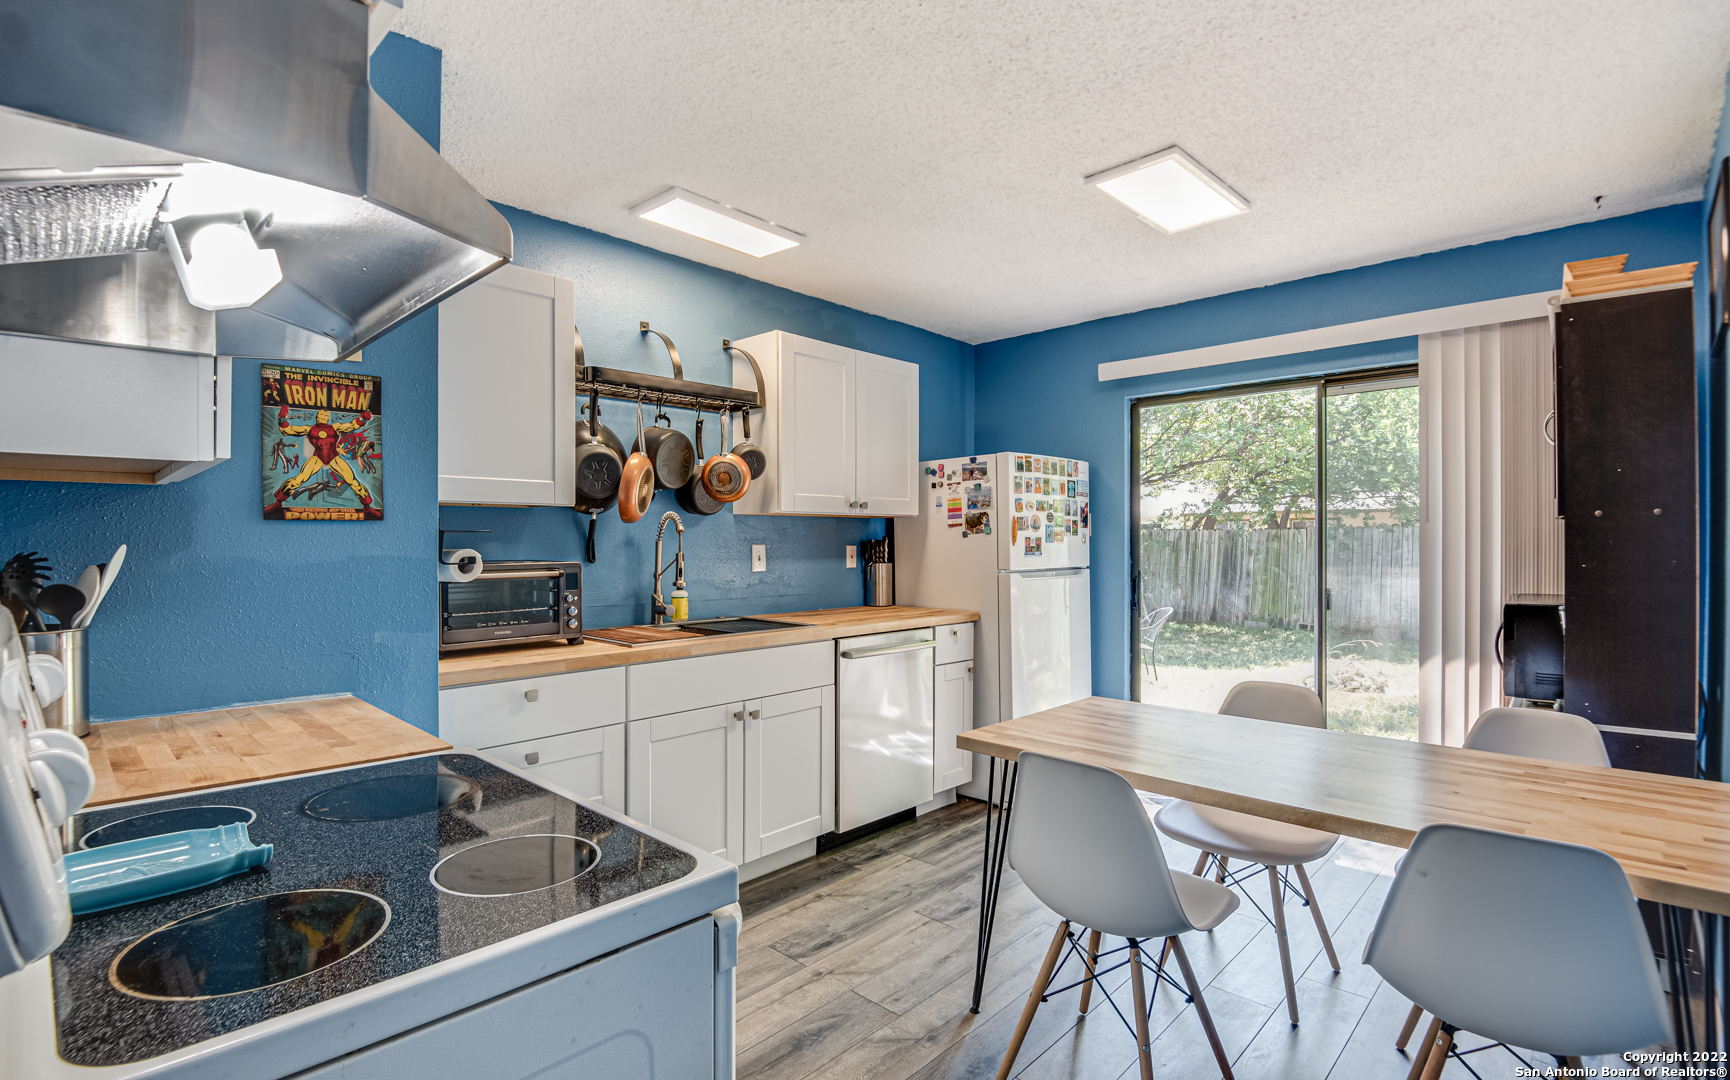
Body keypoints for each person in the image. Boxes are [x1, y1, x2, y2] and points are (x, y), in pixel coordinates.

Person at [263, 406, 380, 518]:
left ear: (328, 418)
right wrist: (282, 418)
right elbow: (287, 431)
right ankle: (278, 503)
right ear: (317, 417)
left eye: (325, 415)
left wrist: (363, 419)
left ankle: (367, 506)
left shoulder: (335, 427)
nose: (323, 416)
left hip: (334, 458)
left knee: (353, 482)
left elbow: (351, 426)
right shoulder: (310, 429)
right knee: (297, 481)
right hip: (317, 458)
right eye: (321, 414)